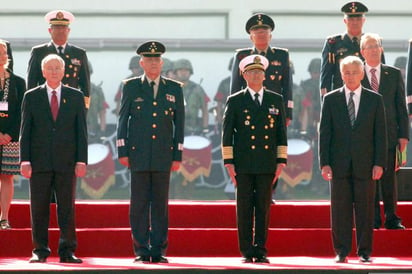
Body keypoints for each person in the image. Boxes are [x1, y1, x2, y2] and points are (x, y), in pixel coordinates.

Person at [117, 41, 184, 264]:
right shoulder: (131, 86)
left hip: (164, 154)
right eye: (149, 60)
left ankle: (158, 249)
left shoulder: (174, 88)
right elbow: (123, 120)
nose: (153, 63)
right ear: (141, 63)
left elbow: (180, 125)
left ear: (162, 63)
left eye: (157, 60)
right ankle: (141, 249)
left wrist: (178, 155)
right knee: (139, 204)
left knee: (160, 205)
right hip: (138, 153)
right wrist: (123, 150)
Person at [20, 54, 88, 263]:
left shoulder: (75, 96)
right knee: (39, 207)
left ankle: (67, 251)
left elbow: (81, 131)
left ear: (63, 71)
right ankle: (40, 250)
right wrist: (25, 160)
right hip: (39, 161)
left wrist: (81, 160)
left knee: (66, 207)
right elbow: (26, 130)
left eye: (57, 68)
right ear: (43, 72)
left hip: (66, 161)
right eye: (49, 68)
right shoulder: (31, 96)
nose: (54, 72)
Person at [319, 56, 387, 263]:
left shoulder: (375, 99)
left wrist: (379, 163)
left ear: (362, 74)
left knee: (366, 209)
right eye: (346, 72)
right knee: (340, 210)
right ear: (341, 75)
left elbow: (380, 134)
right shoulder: (330, 99)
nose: (350, 76)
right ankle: (341, 251)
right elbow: (325, 134)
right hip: (338, 165)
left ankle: (364, 251)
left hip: (366, 164)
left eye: (354, 72)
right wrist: (324, 163)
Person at [222, 54, 287, 264]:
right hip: (243, 163)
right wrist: (229, 163)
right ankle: (246, 250)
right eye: (251, 72)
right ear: (244, 75)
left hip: (267, 163)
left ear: (265, 75)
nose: (256, 75)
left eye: (259, 72)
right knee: (244, 207)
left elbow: (280, 134)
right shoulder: (235, 100)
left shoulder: (275, 99)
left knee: (263, 207)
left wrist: (281, 162)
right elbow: (227, 135)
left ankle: (260, 248)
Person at [359, 33, 409, 230]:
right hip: (365, 137)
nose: (373, 49)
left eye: (376, 46)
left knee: (389, 178)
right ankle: (373, 218)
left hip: (389, 135)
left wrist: (403, 135)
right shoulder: (356, 73)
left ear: (381, 49)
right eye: (369, 46)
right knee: (370, 178)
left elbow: (401, 108)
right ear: (362, 52)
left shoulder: (393, 73)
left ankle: (392, 217)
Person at [230, 13, 293, 126]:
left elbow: (287, 86)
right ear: (251, 37)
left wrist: (288, 112)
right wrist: (233, 111)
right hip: (248, 108)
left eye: (264, 32)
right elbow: (235, 87)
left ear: (270, 36)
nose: (261, 34)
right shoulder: (242, 56)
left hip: (274, 109)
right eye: (257, 33)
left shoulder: (282, 55)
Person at [27, 10, 90, 109]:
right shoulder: (38, 52)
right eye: (56, 28)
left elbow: (85, 85)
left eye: (63, 28)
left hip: (71, 106)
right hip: (45, 105)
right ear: (50, 30)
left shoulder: (79, 53)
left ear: (68, 30)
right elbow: (31, 83)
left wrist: (83, 109)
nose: (60, 31)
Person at [320, 2, 385, 97]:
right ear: (345, 21)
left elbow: (381, 73)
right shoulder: (333, 43)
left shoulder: (373, 42)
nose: (355, 22)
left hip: (367, 98)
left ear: (363, 20)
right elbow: (326, 78)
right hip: (341, 98)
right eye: (351, 19)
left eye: (358, 19)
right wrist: (326, 104)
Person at [0, 41, 25, 230]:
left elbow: (21, 113)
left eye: (4, 52)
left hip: (11, 138)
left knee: (7, 176)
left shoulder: (18, 82)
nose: (2, 56)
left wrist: (10, 134)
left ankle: (4, 218)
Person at [173, 58, 209, 135]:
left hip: (193, 130)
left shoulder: (198, 89)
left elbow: (205, 110)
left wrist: (205, 129)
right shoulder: (169, 88)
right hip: (173, 130)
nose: (183, 73)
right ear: (175, 72)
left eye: (186, 70)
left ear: (190, 72)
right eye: (180, 70)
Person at [299, 58, 321, 137]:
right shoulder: (305, 84)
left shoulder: (326, 84)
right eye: (314, 72)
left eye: (318, 72)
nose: (316, 75)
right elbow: (302, 100)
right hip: (308, 113)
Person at [87, 61, 108, 143]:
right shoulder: (71, 91)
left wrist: (102, 131)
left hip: (93, 132)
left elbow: (102, 112)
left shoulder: (97, 91)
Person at [213, 57, 233, 130]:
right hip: (228, 116)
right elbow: (219, 102)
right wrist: (219, 118)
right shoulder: (224, 83)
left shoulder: (249, 82)